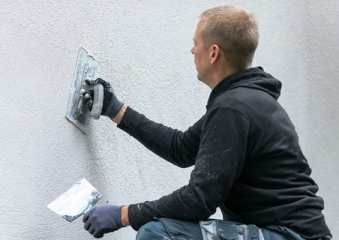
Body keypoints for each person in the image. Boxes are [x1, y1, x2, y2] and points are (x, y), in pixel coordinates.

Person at [81, 5, 331, 240]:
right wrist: (115, 109)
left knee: (158, 234)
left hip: (288, 235)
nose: (192, 50)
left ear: (213, 53)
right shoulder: (245, 101)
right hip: (288, 232)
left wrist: (124, 214)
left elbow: (198, 200)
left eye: (195, 43)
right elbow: (180, 148)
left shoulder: (234, 108)